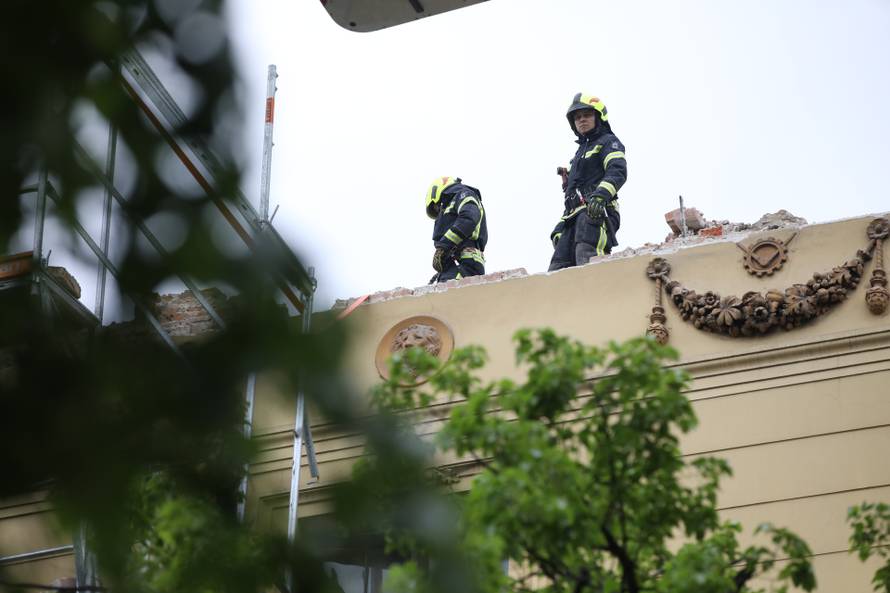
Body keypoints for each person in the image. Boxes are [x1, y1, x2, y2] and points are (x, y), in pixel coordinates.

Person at [549, 93, 627, 271]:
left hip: (599, 212)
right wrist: (561, 226)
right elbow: (573, 196)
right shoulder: (578, 156)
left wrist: (600, 197)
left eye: (587, 115)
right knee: (557, 266)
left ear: (599, 117)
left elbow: (617, 171)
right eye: (577, 117)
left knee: (587, 256)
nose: (582, 120)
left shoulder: (608, 142)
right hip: (574, 217)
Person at [424, 176, 487, 282]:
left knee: (450, 290)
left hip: (466, 261)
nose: (439, 210)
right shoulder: (453, 203)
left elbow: (469, 218)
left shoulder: (463, 194)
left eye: (438, 206)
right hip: (457, 264)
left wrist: (443, 246)